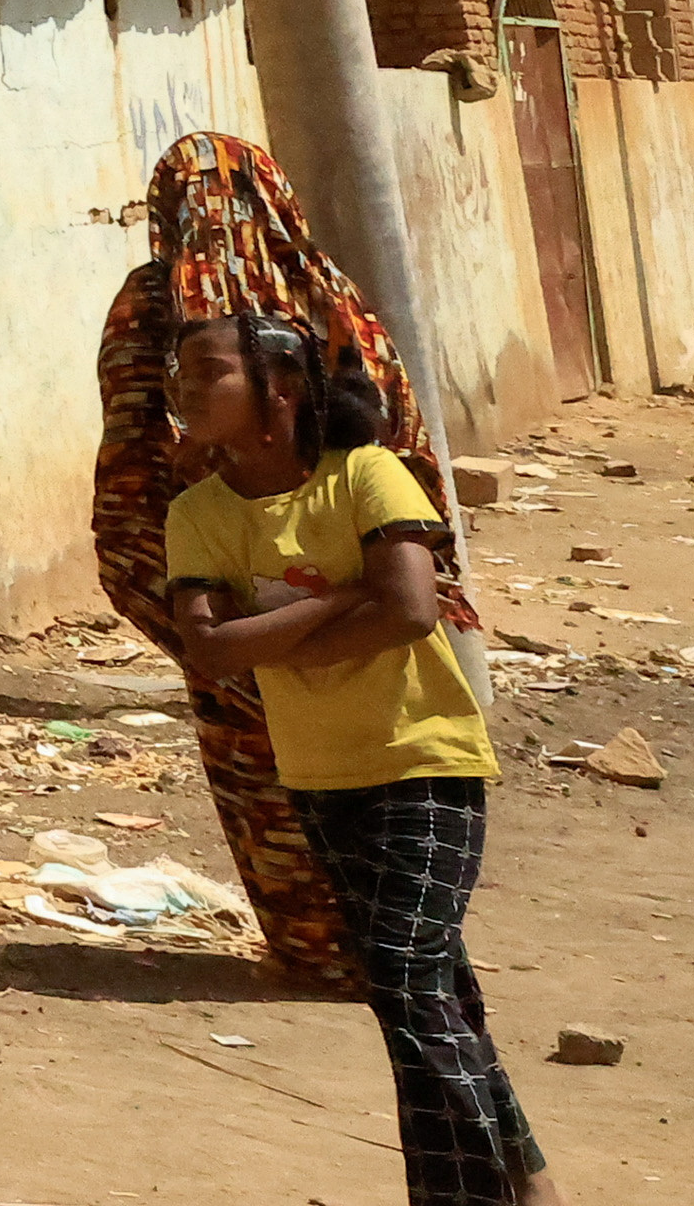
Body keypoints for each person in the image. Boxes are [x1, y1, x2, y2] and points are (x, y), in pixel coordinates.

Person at [154, 307, 601, 1206]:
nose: (182, 387)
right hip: (317, 776)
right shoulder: (199, 513)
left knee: (400, 978)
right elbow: (207, 651)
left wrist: (268, 628)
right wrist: (333, 602)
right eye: (177, 372)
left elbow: (408, 607)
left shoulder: (364, 476)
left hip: (425, 760)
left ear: (279, 391)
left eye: (206, 369)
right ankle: (537, 1197)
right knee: (437, 985)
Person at [93, 130, 465, 992]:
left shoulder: (153, 305)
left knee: (265, 765)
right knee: (375, 755)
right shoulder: (328, 293)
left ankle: (315, 943)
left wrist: (161, 566)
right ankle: (398, 940)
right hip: (356, 564)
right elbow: (397, 427)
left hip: (221, 581)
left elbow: (131, 451)